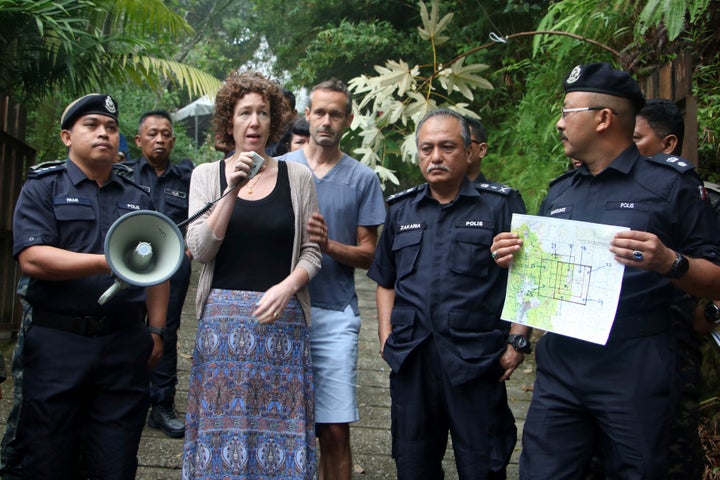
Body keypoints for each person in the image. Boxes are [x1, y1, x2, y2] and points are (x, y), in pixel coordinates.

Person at [490, 62, 720, 479]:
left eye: (566, 112)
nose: (558, 124)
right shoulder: (561, 191)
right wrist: (516, 257)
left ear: (603, 119)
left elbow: (716, 277)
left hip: (636, 362)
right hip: (562, 363)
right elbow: (538, 282)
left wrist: (671, 262)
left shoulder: (670, 185)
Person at [11, 93, 169, 479]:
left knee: (115, 460)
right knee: (47, 456)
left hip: (123, 343)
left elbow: (160, 267)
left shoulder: (139, 197)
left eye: (111, 128)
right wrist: (109, 262)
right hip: (57, 342)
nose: (104, 134)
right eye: (92, 126)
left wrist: (156, 330)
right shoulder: (43, 186)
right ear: (67, 137)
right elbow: (32, 257)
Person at [367, 108, 529, 479]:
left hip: (474, 358)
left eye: (447, 147)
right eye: (427, 148)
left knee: (483, 465)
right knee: (413, 463)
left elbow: (526, 277)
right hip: (412, 357)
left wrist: (518, 340)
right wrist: (385, 336)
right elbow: (385, 280)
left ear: (470, 151)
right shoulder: (401, 208)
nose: (435, 157)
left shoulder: (499, 205)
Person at [181, 71, 322, 480]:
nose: (255, 122)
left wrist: (287, 286)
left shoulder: (298, 178)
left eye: (263, 112)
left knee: (279, 438)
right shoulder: (206, 176)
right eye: (245, 112)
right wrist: (232, 189)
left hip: (282, 323)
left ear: (274, 120)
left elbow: (312, 253)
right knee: (219, 435)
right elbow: (202, 249)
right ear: (230, 122)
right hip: (221, 330)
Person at [278, 78, 386, 480]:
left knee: (334, 428)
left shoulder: (362, 179)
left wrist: (328, 246)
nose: (326, 121)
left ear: (349, 120)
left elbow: (369, 255)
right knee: (282, 424)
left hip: (335, 313)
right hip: (283, 310)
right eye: (319, 112)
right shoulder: (282, 169)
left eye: (335, 114)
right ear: (307, 115)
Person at [123, 109, 194, 438]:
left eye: (166, 134)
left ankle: (162, 405)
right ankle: (126, 399)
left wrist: (191, 243)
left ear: (173, 140)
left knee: (164, 331)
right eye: (152, 134)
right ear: (139, 140)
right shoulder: (122, 175)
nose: (160, 139)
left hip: (172, 271)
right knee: (125, 326)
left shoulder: (186, 179)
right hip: (128, 268)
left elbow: (202, 215)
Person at [267, 87, 298, 157]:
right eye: (274, 109)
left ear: (294, 114)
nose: (278, 114)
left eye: (283, 109)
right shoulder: (258, 141)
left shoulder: (298, 142)